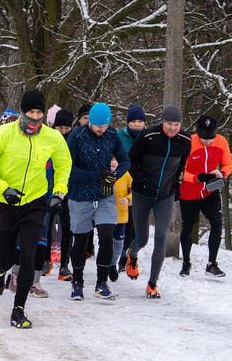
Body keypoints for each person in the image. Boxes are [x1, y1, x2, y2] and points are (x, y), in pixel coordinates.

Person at [0, 89, 71, 329]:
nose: (35, 116)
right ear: (22, 112)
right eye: (31, 111)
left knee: (28, 254)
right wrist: (2, 187)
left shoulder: (52, 137)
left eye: (39, 112)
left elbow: (64, 165)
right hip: (5, 202)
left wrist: (59, 192)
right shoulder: (3, 133)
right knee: (7, 257)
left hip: (35, 202)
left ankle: (18, 310)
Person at [65, 103, 130, 300]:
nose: (102, 130)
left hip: (104, 194)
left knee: (106, 234)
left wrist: (115, 175)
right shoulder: (76, 137)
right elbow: (69, 168)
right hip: (80, 194)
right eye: (98, 126)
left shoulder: (111, 135)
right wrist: (97, 175)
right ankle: (77, 281)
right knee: (82, 240)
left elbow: (125, 160)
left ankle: (102, 283)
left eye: (105, 125)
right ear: (89, 122)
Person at [126, 105, 192, 297]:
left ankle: (152, 284)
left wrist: (177, 184)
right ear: (163, 122)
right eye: (170, 124)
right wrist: (143, 181)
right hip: (142, 194)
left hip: (165, 195)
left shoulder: (185, 139)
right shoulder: (147, 136)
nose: (173, 128)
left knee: (161, 238)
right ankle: (133, 253)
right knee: (143, 239)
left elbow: (182, 164)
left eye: (177, 124)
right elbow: (131, 161)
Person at [178, 115, 232, 277]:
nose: (207, 142)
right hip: (189, 192)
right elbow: (180, 172)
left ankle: (211, 264)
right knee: (188, 227)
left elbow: (228, 164)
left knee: (216, 222)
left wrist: (221, 173)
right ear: (197, 132)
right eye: (203, 138)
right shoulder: (188, 142)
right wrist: (196, 178)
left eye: (211, 138)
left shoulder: (221, 141)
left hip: (210, 190)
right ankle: (186, 262)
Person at [116, 104, 146, 271]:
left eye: (140, 121)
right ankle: (121, 255)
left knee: (136, 223)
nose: (136, 124)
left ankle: (131, 254)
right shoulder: (120, 136)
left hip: (141, 184)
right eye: (133, 121)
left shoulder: (149, 136)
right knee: (125, 222)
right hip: (122, 183)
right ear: (128, 122)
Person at [51, 108, 75, 281]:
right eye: (60, 128)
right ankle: (45, 260)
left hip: (68, 189)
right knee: (47, 225)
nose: (63, 132)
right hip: (48, 189)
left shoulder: (73, 140)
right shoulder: (47, 138)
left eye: (67, 129)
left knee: (68, 227)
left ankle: (64, 265)